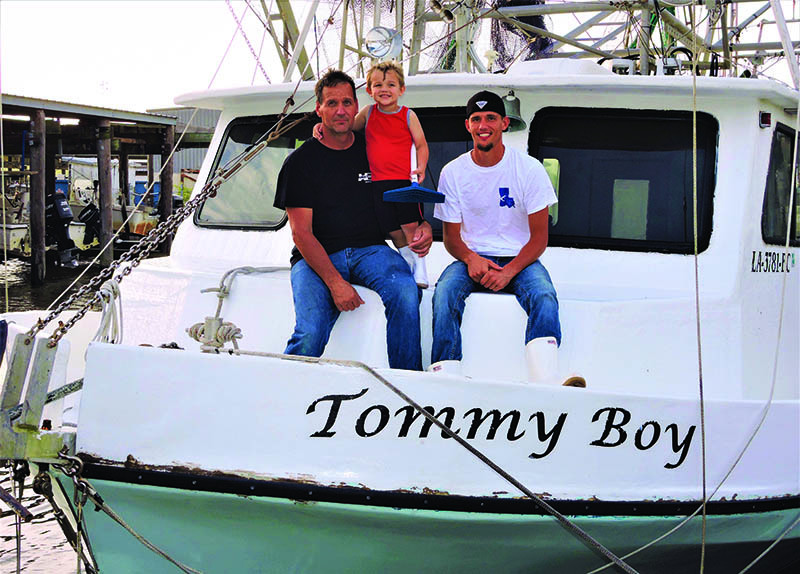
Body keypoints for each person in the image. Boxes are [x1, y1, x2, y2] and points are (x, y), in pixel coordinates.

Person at [273, 69, 432, 371]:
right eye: (331, 104)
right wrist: (336, 283)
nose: (341, 111)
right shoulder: (300, 163)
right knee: (310, 332)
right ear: (318, 108)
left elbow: (401, 179)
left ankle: (407, 382)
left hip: (371, 250)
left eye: (347, 102)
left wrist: (421, 224)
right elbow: (302, 235)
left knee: (405, 293)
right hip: (316, 257)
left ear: (357, 105)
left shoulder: (370, 147)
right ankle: (283, 388)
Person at [430, 90, 584, 387]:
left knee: (543, 295)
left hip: (520, 259)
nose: (483, 124)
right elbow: (451, 238)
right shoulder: (453, 172)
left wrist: (510, 271)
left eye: (490, 118)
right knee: (445, 292)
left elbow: (539, 239)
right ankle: (445, 377)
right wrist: (472, 259)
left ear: (503, 123)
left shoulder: (529, 169)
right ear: (468, 126)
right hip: (472, 257)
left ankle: (546, 381)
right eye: (476, 119)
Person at [315, 61, 431, 287]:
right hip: (378, 183)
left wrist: (421, 167)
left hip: (404, 182)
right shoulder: (368, 113)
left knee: (410, 226)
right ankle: (408, 264)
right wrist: (320, 127)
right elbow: (347, 129)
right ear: (369, 90)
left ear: (401, 89)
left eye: (391, 84)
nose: (384, 89)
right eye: (378, 85)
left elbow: (422, 145)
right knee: (392, 228)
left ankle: (422, 268)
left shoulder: (408, 115)